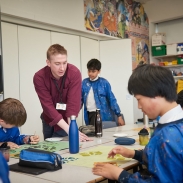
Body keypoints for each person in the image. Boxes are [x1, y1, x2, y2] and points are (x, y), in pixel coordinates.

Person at [92, 64, 183, 182]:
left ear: (155, 94)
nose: (139, 106)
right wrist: (133, 154)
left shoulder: (168, 135)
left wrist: (120, 174)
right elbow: (160, 157)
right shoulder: (171, 125)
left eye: (139, 99)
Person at [33, 44, 91, 142]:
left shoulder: (74, 73)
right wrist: (69, 129)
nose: (62, 68)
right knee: (50, 148)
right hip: (49, 120)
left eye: (64, 63)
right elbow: (47, 106)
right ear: (48, 62)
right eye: (57, 63)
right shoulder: (39, 77)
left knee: (67, 147)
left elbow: (73, 103)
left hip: (67, 119)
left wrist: (71, 128)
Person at [81, 59, 125, 126]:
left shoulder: (104, 83)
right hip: (89, 114)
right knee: (91, 133)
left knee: (102, 134)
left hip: (103, 114)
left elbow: (111, 99)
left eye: (93, 71)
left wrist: (119, 115)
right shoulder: (84, 83)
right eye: (89, 71)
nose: (90, 73)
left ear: (99, 71)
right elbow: (80, 99)